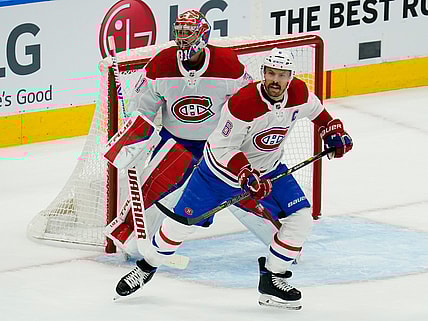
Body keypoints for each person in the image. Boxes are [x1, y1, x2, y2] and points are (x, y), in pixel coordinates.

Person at [114, 47, 353, 309]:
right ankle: (147, 267)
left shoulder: (299, 93)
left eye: (282, 75)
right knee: (180, 225)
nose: (275, 80)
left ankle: (273, 277)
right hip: (218, 175)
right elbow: (223, 147)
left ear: (291, 76)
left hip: (269, 170)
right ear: (262, 73)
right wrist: (245, 172)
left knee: (301, 220)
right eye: (270, 73)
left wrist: (332, 129)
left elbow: (317, 111)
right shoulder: (243, 103)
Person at [105, 9, 268, 258]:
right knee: (153, 192)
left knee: (242, 193)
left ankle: (281, 242)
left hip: (217, 147)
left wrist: (244, 141)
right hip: (173, 143)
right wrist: (135, 139)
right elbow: (143, 107)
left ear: (203, 35)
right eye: (179, 33)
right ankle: (132, 238)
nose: (182, 40)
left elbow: (247, 102)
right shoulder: (161, 63)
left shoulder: (227, 63)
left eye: (188, 34)